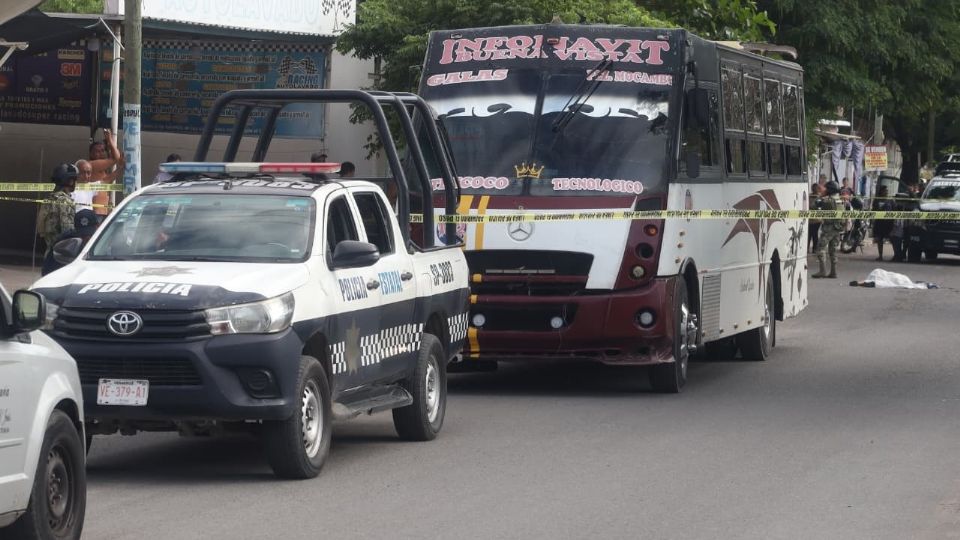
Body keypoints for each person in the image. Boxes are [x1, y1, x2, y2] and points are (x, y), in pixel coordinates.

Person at [41, 209, 99, 276]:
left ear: (98, 226)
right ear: (75, 229)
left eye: (90, 234)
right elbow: (47, 270)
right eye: (82, 235)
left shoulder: (106, 240)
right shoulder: (65, 242)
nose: (86, 238)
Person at [37, 163, 78, 256]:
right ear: (71, 181)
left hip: (49, 252)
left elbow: (41, 229)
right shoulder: (65, 201)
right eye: (75, 180)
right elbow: (68, 230)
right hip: (62, 253)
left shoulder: (48, 199)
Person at [87, 129, 123, 219]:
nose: (101, 153)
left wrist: (121, 168)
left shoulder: (102, 170)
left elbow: (107, 180)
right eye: (97, 151)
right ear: (91, 154)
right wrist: (109, 139)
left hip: (102, 210)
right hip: (94, 211)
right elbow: (116, 158)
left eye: (103, 151)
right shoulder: (91, 165)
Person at [813, 180, 844, 279]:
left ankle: (822, 271)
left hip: (829, 228)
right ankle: (834, 272)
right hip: (838, 228)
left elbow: (815, 205)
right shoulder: (839, 199)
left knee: (820, 248)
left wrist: (820, 195)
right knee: (833, 250)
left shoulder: (828, 200)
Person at [871, 186, 894, 261]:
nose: (886, 192)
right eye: (884, 191)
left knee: (892, 239)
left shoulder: (890, 201)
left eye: (887, 191)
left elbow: (894, 210)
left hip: (888, 223)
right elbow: (873, 210)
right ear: (881, 192)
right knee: (879, 239)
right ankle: (880, 255)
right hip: (879, 223)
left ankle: (896, 255)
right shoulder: (877, 200)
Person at [808, 183, 823, 254]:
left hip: (817, 219)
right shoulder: (810, 196)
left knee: (814, 234)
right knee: (810, 234)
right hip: (810, 219)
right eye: (813, 188)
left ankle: (814, 248)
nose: (814, 189)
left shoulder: (819, 197)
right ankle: (808, 248)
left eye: (816, 188)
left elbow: (817, 206)